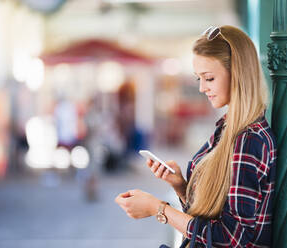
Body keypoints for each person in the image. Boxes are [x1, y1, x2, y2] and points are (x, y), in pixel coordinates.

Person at [115, 25, 277, 247]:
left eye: (209, 78)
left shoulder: (249, 140)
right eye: (199, 78)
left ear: (238, 74)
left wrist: (158, 209)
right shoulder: (228, 129)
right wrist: (180, 185)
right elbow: (213, 219)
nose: (202, 88)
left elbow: (231, 239)